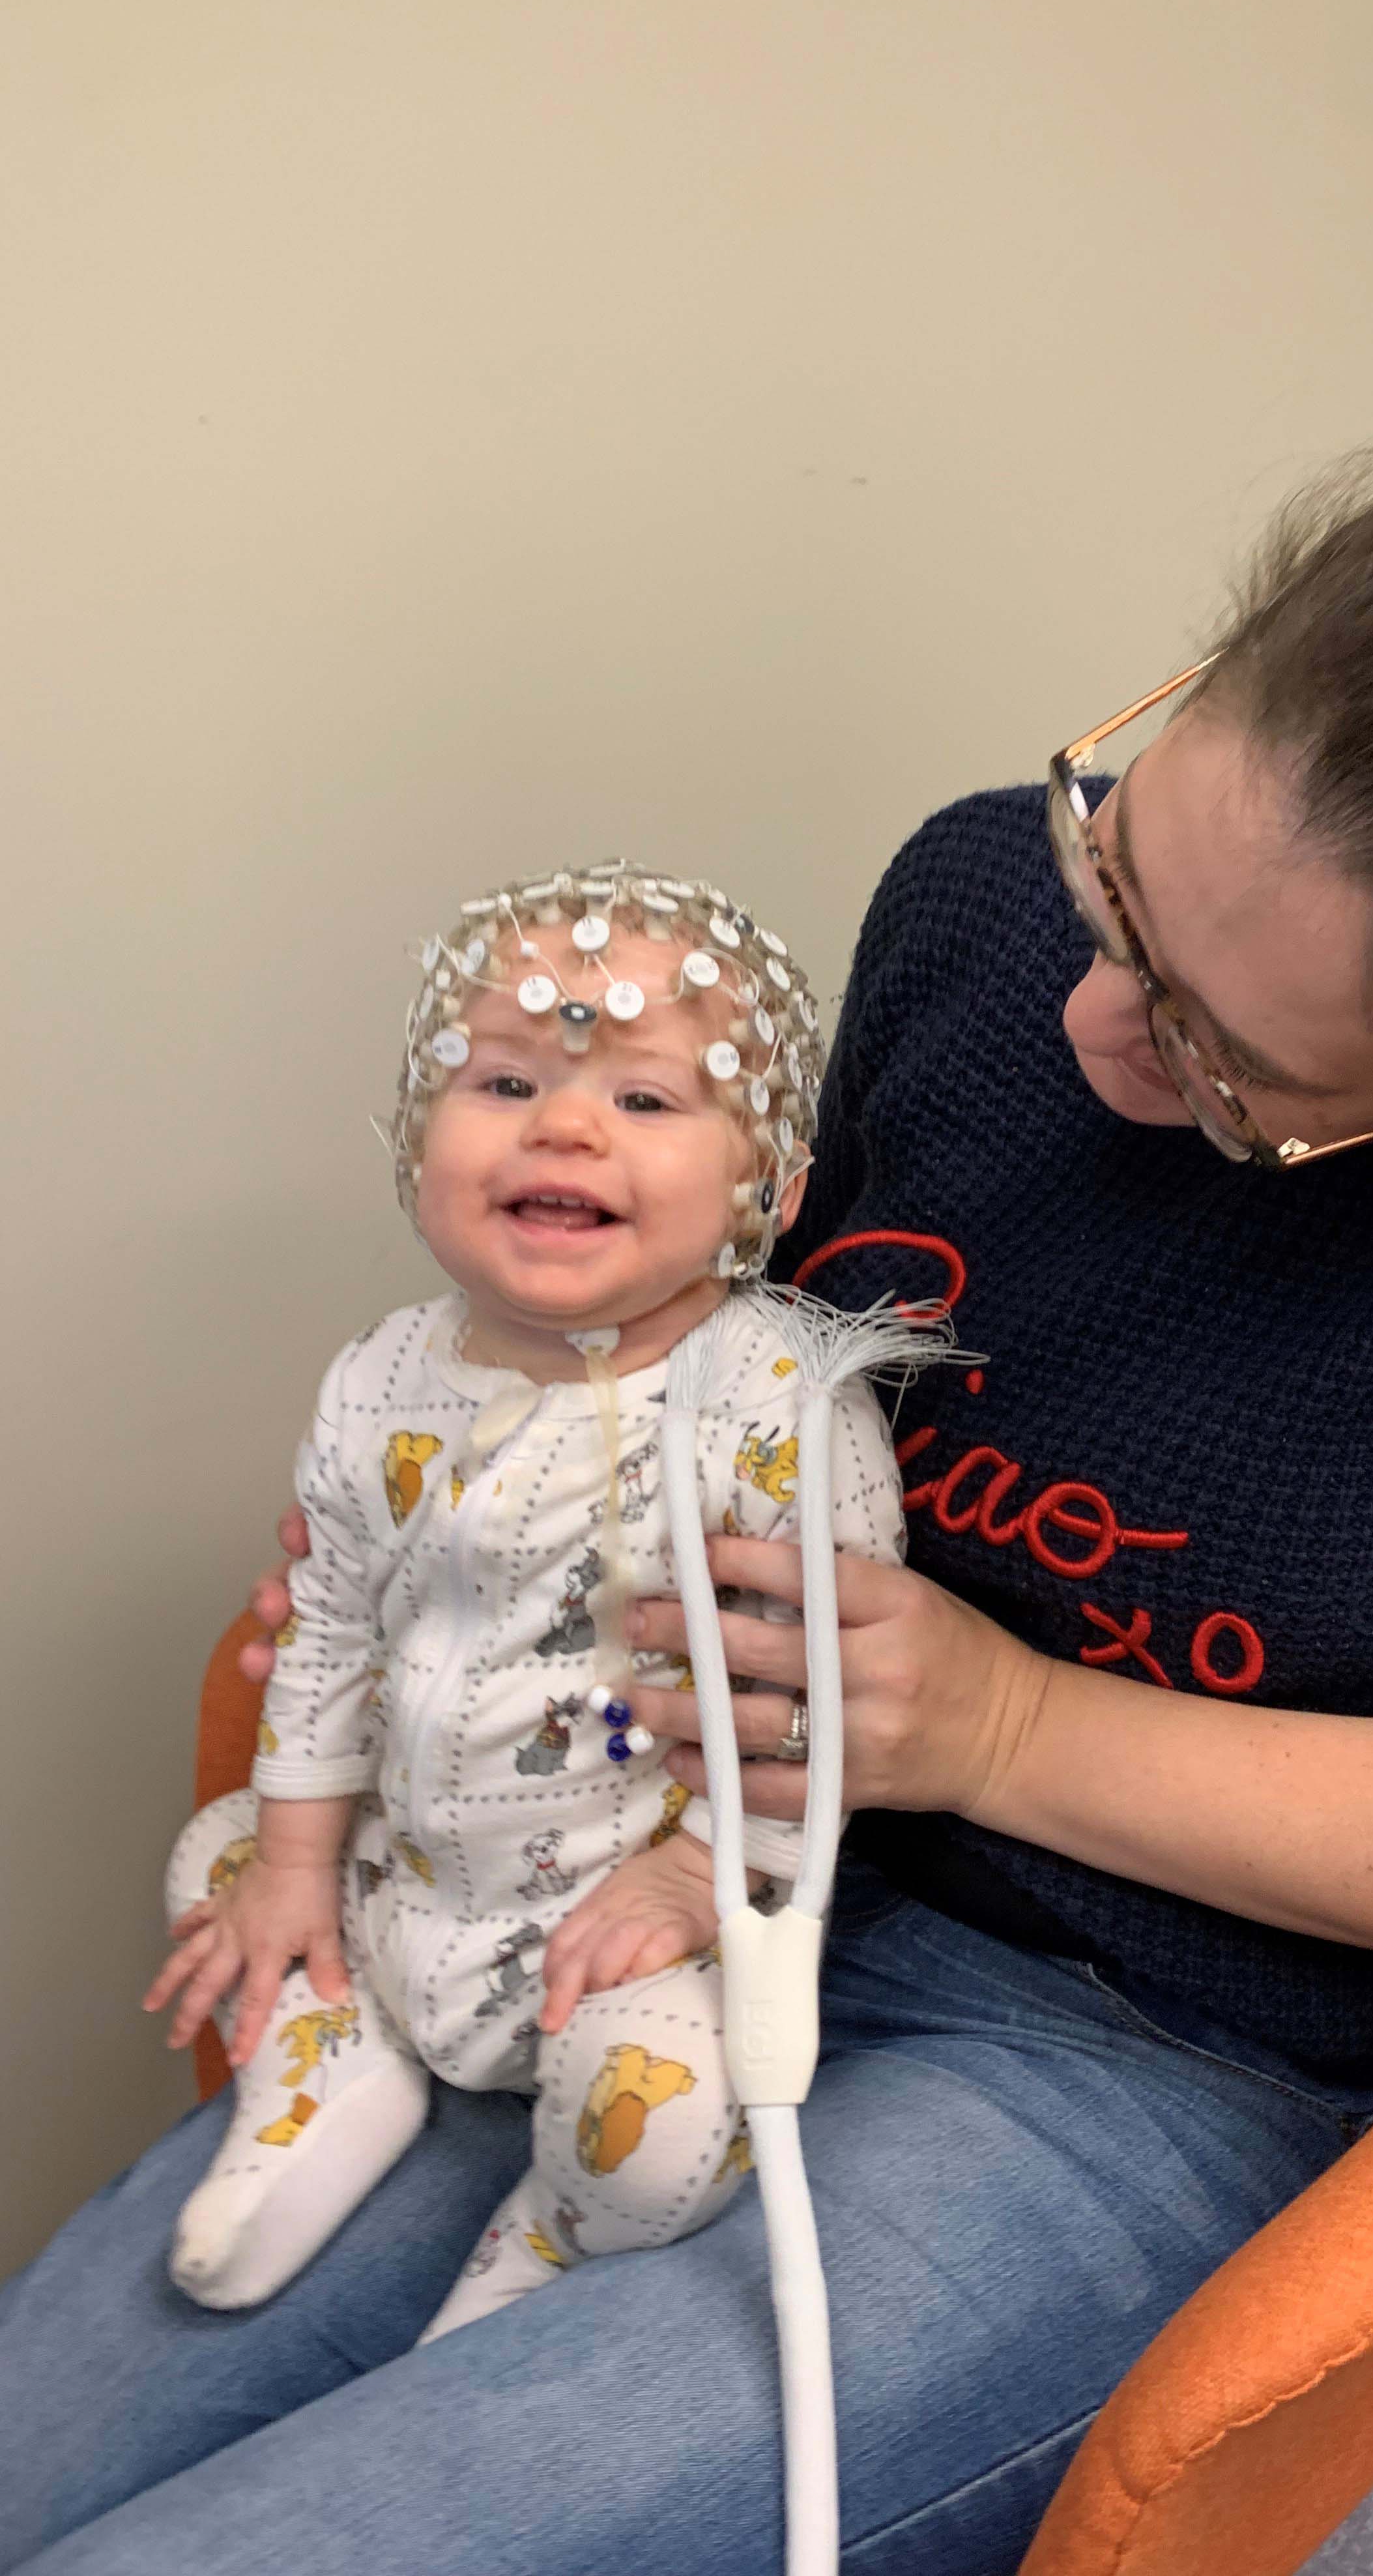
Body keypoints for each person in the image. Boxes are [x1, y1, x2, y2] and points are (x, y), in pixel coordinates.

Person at [4, 430, 1373, 2576]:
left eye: (1230, 1068)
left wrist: (1005, 1724)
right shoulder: (977, 895)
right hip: (675, 1849)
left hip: (1143, 2042)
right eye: (1114, 865)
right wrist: (490, 1503)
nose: (1087, 1017)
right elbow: (750, 1339)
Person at [136, 860, 920, 2338]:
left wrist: (701, 1879)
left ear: (772, 1186)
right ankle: (329, 2069)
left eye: (642, 1100)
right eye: (504, 1079)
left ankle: (558, 2235)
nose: (563, 1124)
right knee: (219, 1854)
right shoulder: (382, 1376)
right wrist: (302, 1861)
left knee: (682, 2113)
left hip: (630, 1928)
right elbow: (327, 1628)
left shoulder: (777, 1408)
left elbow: (819, 1694)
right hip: (397, 1883)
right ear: (417, 1137)